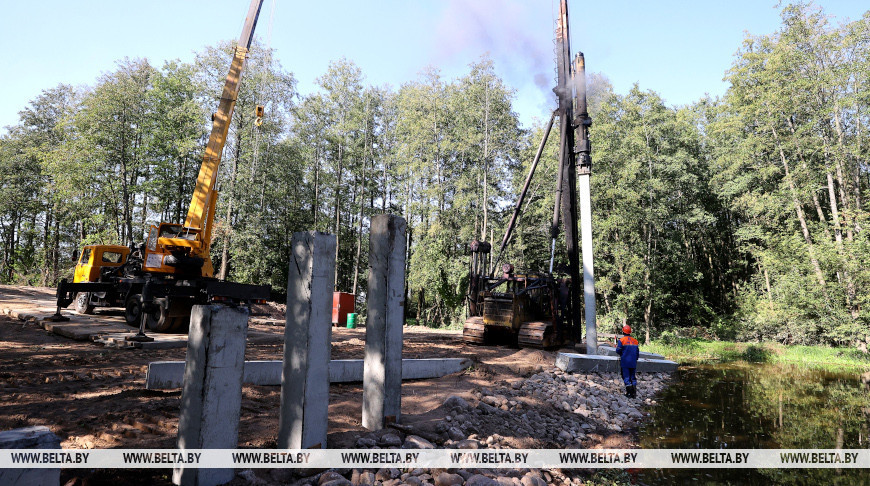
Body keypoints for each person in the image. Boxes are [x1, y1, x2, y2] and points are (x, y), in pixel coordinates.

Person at [615, 325, 639, 398]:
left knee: (626, 377)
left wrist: (622, 354)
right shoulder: (635, 341)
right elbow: (637, 352)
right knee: (633, 377)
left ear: (623, 331)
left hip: (625, 361)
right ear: (630, 332)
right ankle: (634, 394)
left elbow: (618, 350)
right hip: (633, 362)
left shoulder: (621, 340)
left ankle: (629, 393)